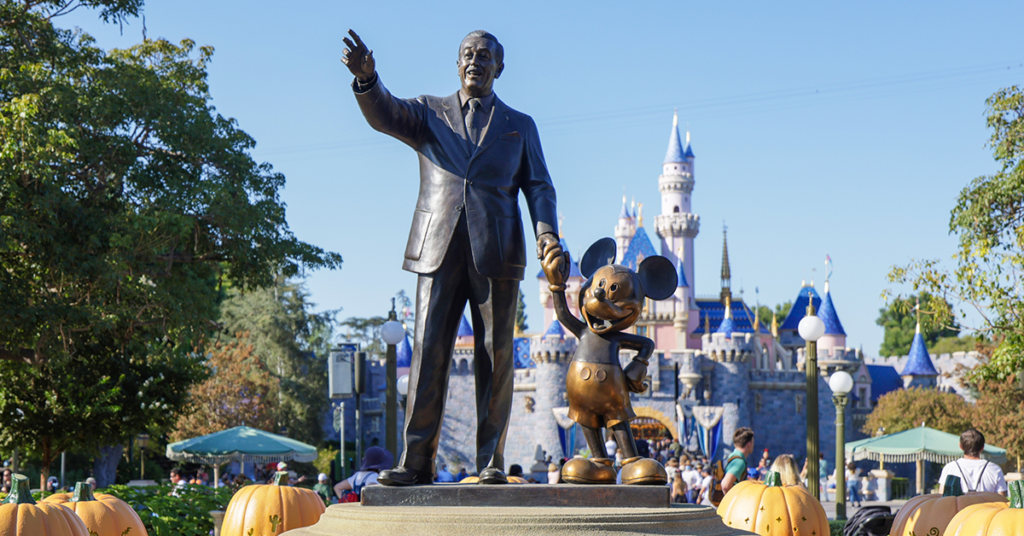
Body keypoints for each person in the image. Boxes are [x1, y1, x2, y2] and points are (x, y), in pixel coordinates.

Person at [342, 27, 561, 488]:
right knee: (427, 353)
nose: (474, 61)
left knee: (496, 356)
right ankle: (415, 461)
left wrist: (547, 236)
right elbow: (386, 115)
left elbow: (539, 186)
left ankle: (491, 463)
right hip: (436, 247)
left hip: (498, 253)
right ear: (456, 63)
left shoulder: (520, 125)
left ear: (499, 67)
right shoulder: (428, 113)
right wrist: (368, 81)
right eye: (467, 54)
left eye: (484, 55)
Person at [939, 429, 1008, 496]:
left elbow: (941, 496)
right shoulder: (995, 469)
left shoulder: (950, 468)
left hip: (959, 507)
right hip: (986, 507)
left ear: (960, 446)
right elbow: (1001, 500)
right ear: (982, 447)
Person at [720, 427, 754, 493]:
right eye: (753, 442)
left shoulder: (730, 457)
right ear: (749, 444)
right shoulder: (739, 462)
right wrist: (733, 501)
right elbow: (725, 486)